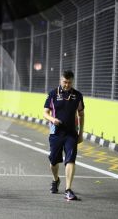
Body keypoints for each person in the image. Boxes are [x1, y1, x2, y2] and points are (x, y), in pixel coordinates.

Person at [43, 70, 84, 201]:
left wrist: (81, 133)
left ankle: (68, 189)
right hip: (56, 133)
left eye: (69, 83)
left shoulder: (77, 95)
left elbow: (81, 114)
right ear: (61, 80)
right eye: (65, 82)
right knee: (53, 161)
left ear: (73, 82)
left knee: (70, 160)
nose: (67, 85)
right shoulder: (53, 94)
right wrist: (52, 119)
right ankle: (56, 180)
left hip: (71, 133)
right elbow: (45, 112)